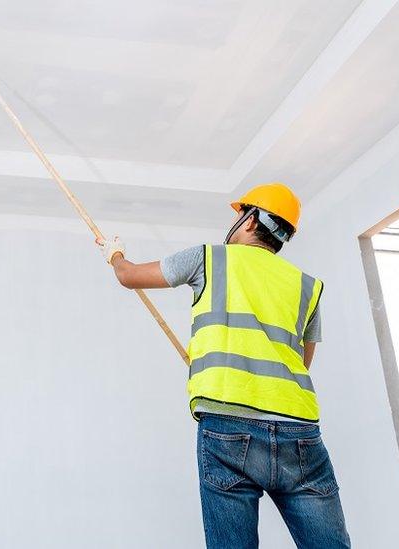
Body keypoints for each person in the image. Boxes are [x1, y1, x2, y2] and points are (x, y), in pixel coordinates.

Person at [96, 183, 350, 548]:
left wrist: (114, 253)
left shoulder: (208, 259)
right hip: (299, 433)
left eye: (238, 214)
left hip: (227, 429)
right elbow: (301, 362)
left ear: (250, 222)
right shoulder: (307, 286)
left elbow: (129, 276)